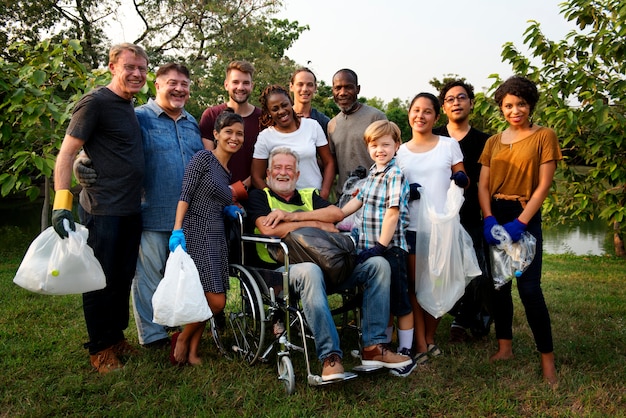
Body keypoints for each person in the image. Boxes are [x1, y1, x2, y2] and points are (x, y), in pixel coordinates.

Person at [246, 147, 412, 381]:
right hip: (281, 272)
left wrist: (291, 216)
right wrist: (318, 223)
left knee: (378, 264)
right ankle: (330, 357)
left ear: (297, 174)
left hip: (329, 266)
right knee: (310, 271)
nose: (283, 173)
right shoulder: (260, 196)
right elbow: (267, 228)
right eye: (278, 168)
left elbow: (335, 215)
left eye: (289, 169)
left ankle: (374, 346)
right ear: (269, 173)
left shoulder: (308, 196)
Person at [74, 63, 206, 349]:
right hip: (152, 211)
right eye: (172, 83)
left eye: (184, 84)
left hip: (189, 216)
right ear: (156, 85)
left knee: (183, 274)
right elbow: (101, 145)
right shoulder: (138, 118)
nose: (179, 89)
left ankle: (182, 322)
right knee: (148, 277)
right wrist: (80, 162)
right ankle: (153, 335)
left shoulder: (191, 122)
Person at [52, 43, 149, 374]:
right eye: (130, 67)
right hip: (102, 208)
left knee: (122, 278)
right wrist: (62, 202)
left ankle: (116, 337)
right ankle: (99, 349)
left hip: (130, 209)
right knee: (99, 278)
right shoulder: (95, 102)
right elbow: (67, 153)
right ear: (112, 67)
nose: (136, 73)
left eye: (142, 68)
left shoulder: (128, 105)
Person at [478, 75, 561, 385]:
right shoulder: (493, 142)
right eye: (508, 105)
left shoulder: (544, 136)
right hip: (496, 216)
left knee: (529, 289)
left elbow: (543, 186)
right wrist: (488, 218)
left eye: (521, 104)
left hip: (524, 214)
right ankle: (505, 347)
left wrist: (521, 222)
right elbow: (483, 185)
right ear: (501, 108)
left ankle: (547, 360)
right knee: (499, 286)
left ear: (531, 106)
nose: (515, 110)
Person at [396, 92, 470, 364]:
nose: (420, 116)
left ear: (436, 117)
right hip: (412, 226)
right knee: (416, 287)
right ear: (409, 114)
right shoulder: (400, 152)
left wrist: (461, 178)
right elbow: (393, 188)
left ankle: (429, 337)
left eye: (427, 111)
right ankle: (420, 342)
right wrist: (406, 193)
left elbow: (463, 179)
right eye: (416, 110)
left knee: (438, 284)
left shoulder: (448, 145)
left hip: (443, 226)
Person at [168, 110, 245, 366]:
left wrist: (229, 207)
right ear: (216, 134)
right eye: (229, 132)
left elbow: (214, 198)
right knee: (216, 301)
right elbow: (185, 194)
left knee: (204, 295)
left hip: (217, 236)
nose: (234, 137)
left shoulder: (226, 172)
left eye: (239, 134)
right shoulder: (203, 158)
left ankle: (192, 351)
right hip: (196, 232)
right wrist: (177, 229)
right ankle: (181, 337)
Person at [340, 120, 416, 378]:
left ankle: (406, 351)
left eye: (386, 144)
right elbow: (357, 203)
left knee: (399, 300)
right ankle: (378, 347)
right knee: (379, 299)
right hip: (370, 248)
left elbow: (392, 214)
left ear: (397, 145)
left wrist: (381, 247)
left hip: (390, 248)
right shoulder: (373, 173)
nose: (380, 150)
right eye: (374, 145)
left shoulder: (394, 174)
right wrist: (335, 216)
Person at [433, 80, 492, 343]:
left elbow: (487, 183)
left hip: (470, 215)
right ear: (443, 106)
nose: (456, 102)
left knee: (478, 272)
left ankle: (464, 319)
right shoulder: (433, 136)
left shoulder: (484, 141)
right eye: (450, 99)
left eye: (462, 97)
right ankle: (449, 313)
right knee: (438, 271)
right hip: (436, 216)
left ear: (471, 103)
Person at [250, 84, 335, 199]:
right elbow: (256, 177)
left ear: (290, 103)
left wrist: (324, 193)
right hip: (282, 203)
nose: (281, 111)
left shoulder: (312, 126)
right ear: (269, 112)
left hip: (315, 197)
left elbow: (329, 162)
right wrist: (274, 198)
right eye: (275, 109)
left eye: (284, 105)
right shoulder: (265, 137)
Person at [199, 60, 261, 187]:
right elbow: (209, 162)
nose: (240, 87)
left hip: (253, 194)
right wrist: (225, 192)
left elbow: (264, 165)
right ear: (226, 85)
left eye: (246, 83)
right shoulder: (211, 115)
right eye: (235, 82)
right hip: (216, 191)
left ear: (252, 86)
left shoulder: (263, 119)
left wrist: (238, 191)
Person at [328, 69, 387, 196]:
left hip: (373, 195)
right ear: (333, 90)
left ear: (358, 89)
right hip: (344, 198)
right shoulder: (332, 125)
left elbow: (389, 158)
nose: (342, 93)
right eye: (338, 88)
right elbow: (331, 164)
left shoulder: (376, 117)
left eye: (348, 87)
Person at [289, 67, 331, 137]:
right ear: (291, 87)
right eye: (300, 84)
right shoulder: (281, 118)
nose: (305, 89)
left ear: (315, 88)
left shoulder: (324, 122)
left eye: (309, 85)